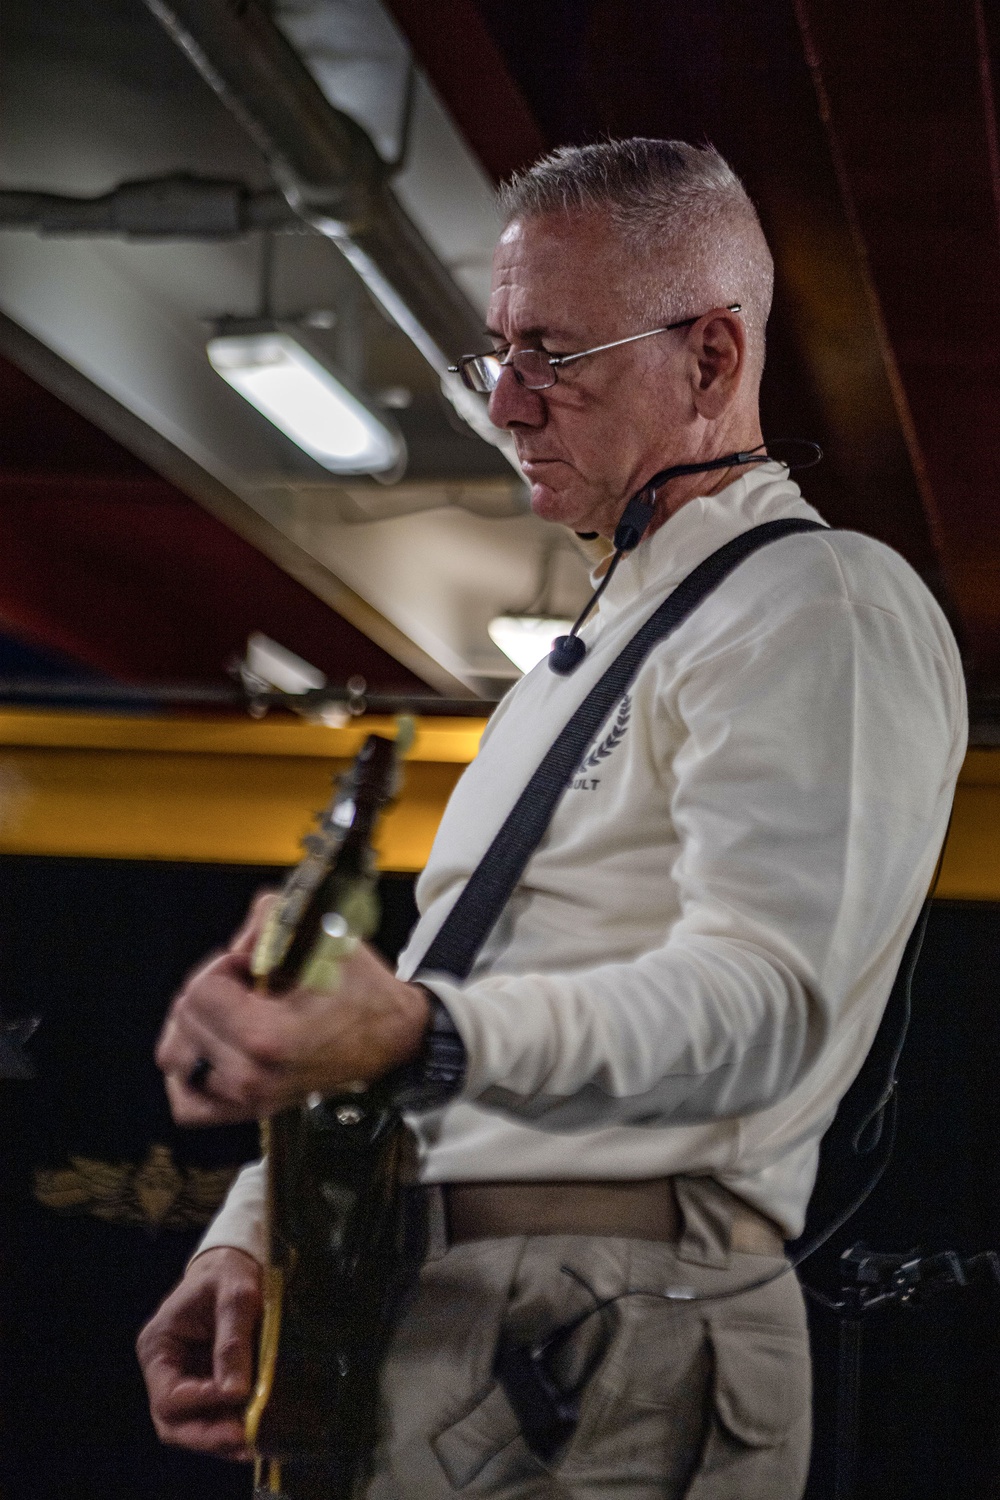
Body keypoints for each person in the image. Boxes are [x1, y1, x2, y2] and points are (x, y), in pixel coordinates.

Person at [138, 139, 966, 1499]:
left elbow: (766, 1005)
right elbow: (448, 982)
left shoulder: (822, 604)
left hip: (615, 1325)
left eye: (554, 356)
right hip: (455, 1306)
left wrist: (416, 1033)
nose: (507, 405)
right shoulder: (592, 654)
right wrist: (251, 1232)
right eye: (496, 356)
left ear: (711, 359)